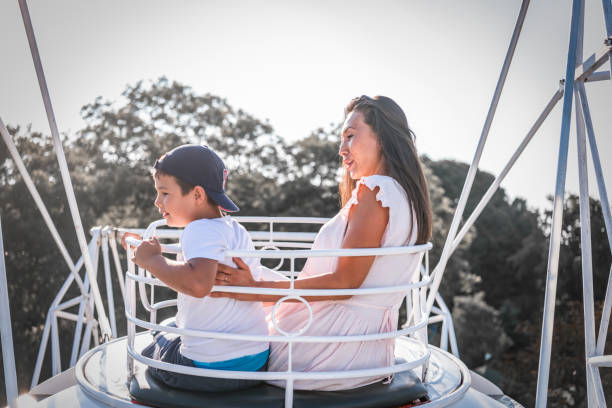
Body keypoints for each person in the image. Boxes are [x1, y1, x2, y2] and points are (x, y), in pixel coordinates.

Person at [213, 95, 433, 391]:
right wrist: (256, 284)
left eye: (350, 137)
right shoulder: (404, 195)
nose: (341, 150)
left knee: (216, 333)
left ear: (382, 138)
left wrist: (255, 291)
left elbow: (344, 283)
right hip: (365, 348)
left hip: (329, 348)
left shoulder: (376, 191)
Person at [127, 144, 269, 392]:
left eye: (164, 193)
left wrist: (151, 261)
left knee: (153, 343)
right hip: (256, 364)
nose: (157, 202)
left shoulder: (198, 228)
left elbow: (198, 284)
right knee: (174, 325)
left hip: (208, 371)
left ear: (197, 195)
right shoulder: (234, 229)